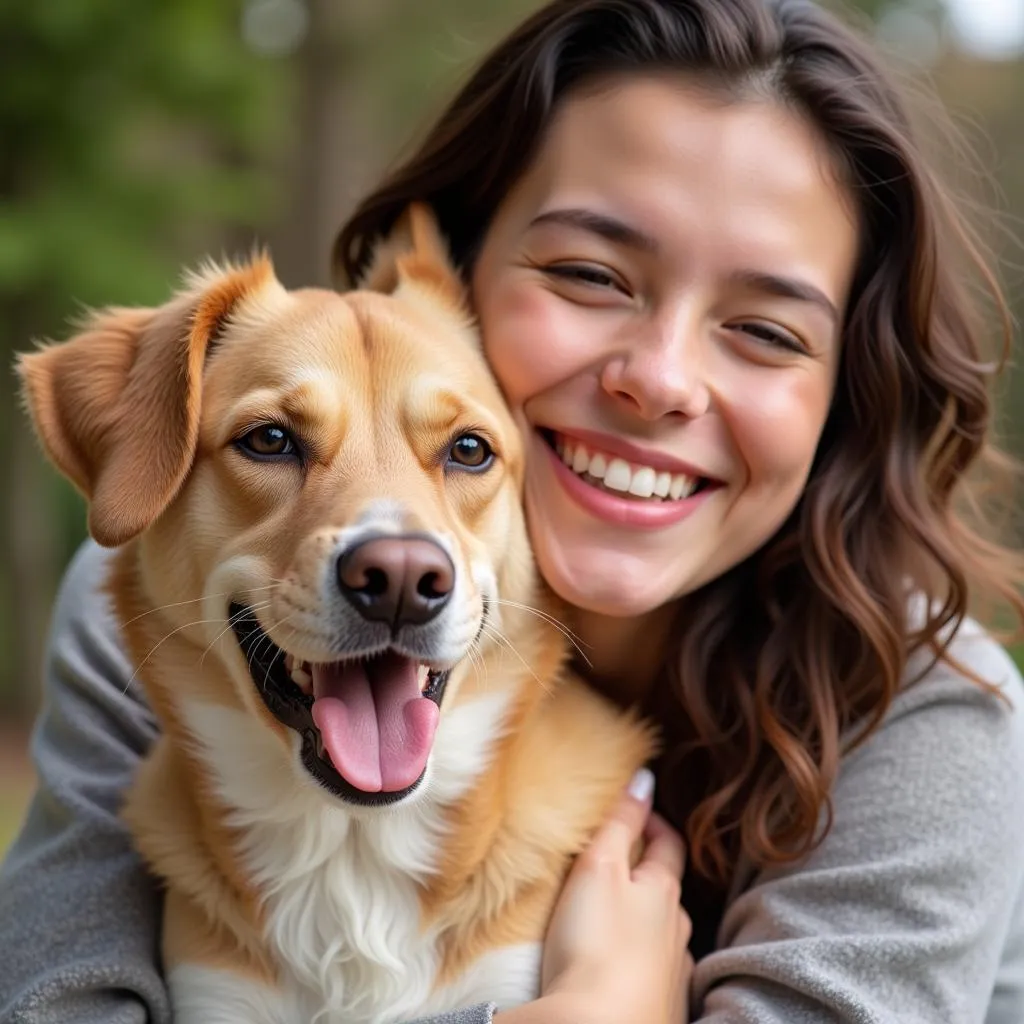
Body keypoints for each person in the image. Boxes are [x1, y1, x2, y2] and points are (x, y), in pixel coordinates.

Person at [3, 0, 1024, 1021]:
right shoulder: (153, 593)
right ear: (459, 271)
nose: (661, 379)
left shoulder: (933, 717)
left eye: (764, 328)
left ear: (841, 389)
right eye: (589, 273)